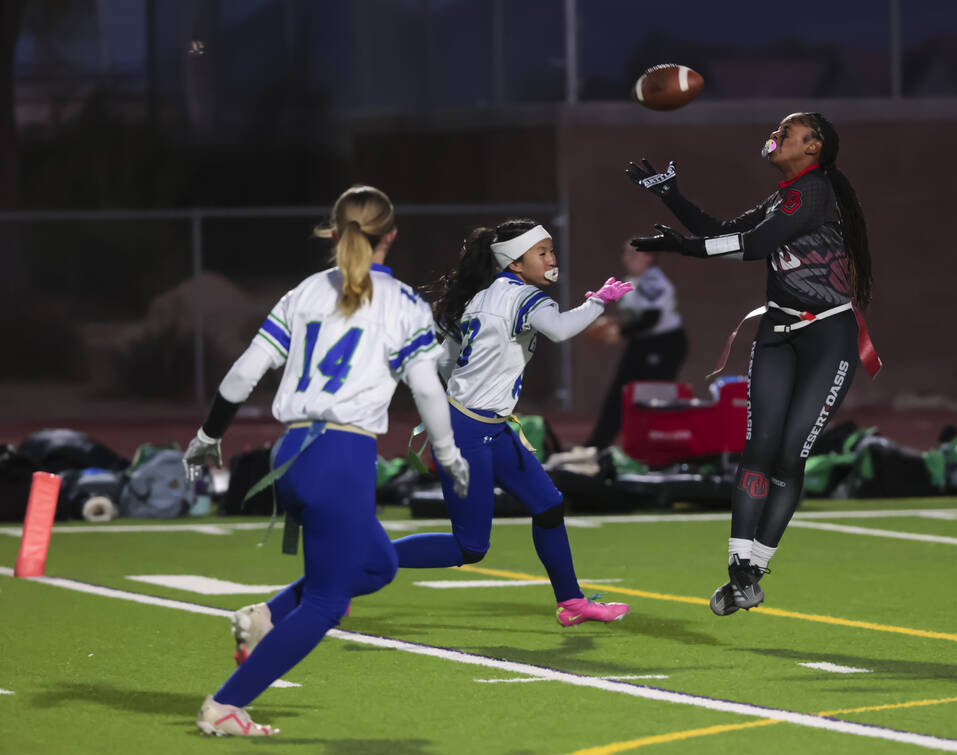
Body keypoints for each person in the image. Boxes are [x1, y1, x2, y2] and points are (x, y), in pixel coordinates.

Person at [181, 185, 470, 736]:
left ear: (334, 233)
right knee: (328, 601)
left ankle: (264, 616)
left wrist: (207, 433)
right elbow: (428, 392)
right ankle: (225, 705)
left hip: (289, 454)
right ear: (392, 236)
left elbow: (243, 374)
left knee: (379, 565)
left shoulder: (305, 291)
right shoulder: (403, 302)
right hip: (342, 456)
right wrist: (450, 454)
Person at [628, 112, 880, 615]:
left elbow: (752, 246)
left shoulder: (813, 191)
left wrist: (684, 248)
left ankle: (756, 568)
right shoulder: (784, 196)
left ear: (814, 146)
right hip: (777, 332)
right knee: (757, 449)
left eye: (789, 131)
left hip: (827, 335)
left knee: (789, 454)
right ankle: (740, 570)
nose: (777, 135)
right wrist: (670, 195)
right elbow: (724, 231)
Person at [387, 219, 634, 626]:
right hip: (469, 431)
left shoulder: (480, 297)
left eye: (552, 250)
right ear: (515, 262)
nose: (552, 259)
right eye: (543, 252)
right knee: (470, 547)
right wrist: (598, 301)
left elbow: (445, 362)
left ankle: (571, 603)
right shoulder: (523, 297)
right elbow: (558, 330)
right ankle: (360, 559)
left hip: (485, 426)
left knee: (549, 506)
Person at [584, 241, 689, 449]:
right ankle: (596, 446)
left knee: (653, 399)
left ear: (649, 257)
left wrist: (620, 331)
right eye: (626, 254)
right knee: (620, 394)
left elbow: (652, 317)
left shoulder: (653, 281)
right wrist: (617, 325)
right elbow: (638, 319)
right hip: (642, 344)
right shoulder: (634, 280)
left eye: (635, 254)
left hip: (664, 345)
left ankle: (660, 449)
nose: (628, 258)